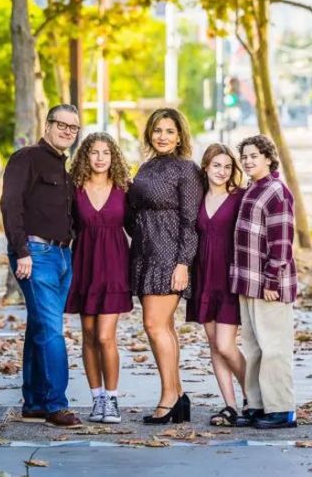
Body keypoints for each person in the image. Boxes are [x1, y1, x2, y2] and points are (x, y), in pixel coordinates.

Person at [0, 105, 82, 427]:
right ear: (47, 125)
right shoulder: (27, 158)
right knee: (51, 330)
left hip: (62, 255)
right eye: (61, 125)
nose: (67, 131)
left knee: (39, 327)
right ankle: (55, 405)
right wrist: (21, 251)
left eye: (73, 128)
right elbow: (10, 204)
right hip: (35, 253)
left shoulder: (63, 166)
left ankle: (34, 402)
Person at [126, 108, 202, 424]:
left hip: (171, 257)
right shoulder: (145, 167)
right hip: (144, 253)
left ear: (180, 135)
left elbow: (191, 220)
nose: (162, 136)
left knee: (154, 325)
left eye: (169, 131)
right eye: (157, 130)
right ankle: (178, 395)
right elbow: (132, 212)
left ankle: (169, 397)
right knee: (164, 327)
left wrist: (183, 262)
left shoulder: (187, 170)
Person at [65, 133, 132, 424]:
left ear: (113, 157)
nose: (100, 158)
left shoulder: (124, 189)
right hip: (84, 266)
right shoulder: (74, 189)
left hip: (115, 267)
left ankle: (113, 399)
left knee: (106, 336)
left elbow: (137, 227)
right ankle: (97, 399)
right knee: (89, 336)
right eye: (94, 152)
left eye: (106, 152)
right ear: (85, 156)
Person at [231, 134, 298, 430]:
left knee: (274, 348)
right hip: (248, 282)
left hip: (270, 285)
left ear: (268, 158)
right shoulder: (252, 189)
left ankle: (282, 409)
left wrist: (272, 279)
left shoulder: (276, 192)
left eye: (254, 156)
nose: (247, 161)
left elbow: (281, 242)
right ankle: (258, 405)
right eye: (244, 156)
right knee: (254, 348)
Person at [186, 143, 247, 427]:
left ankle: (254, 397)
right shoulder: (197, 199)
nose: (222, 171)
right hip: (204, 276)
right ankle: (230, 406)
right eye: (216, 166)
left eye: (227, 166)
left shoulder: (239, 198)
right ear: (206, 167)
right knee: (213, 344)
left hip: (229, 277)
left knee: (225, 344)